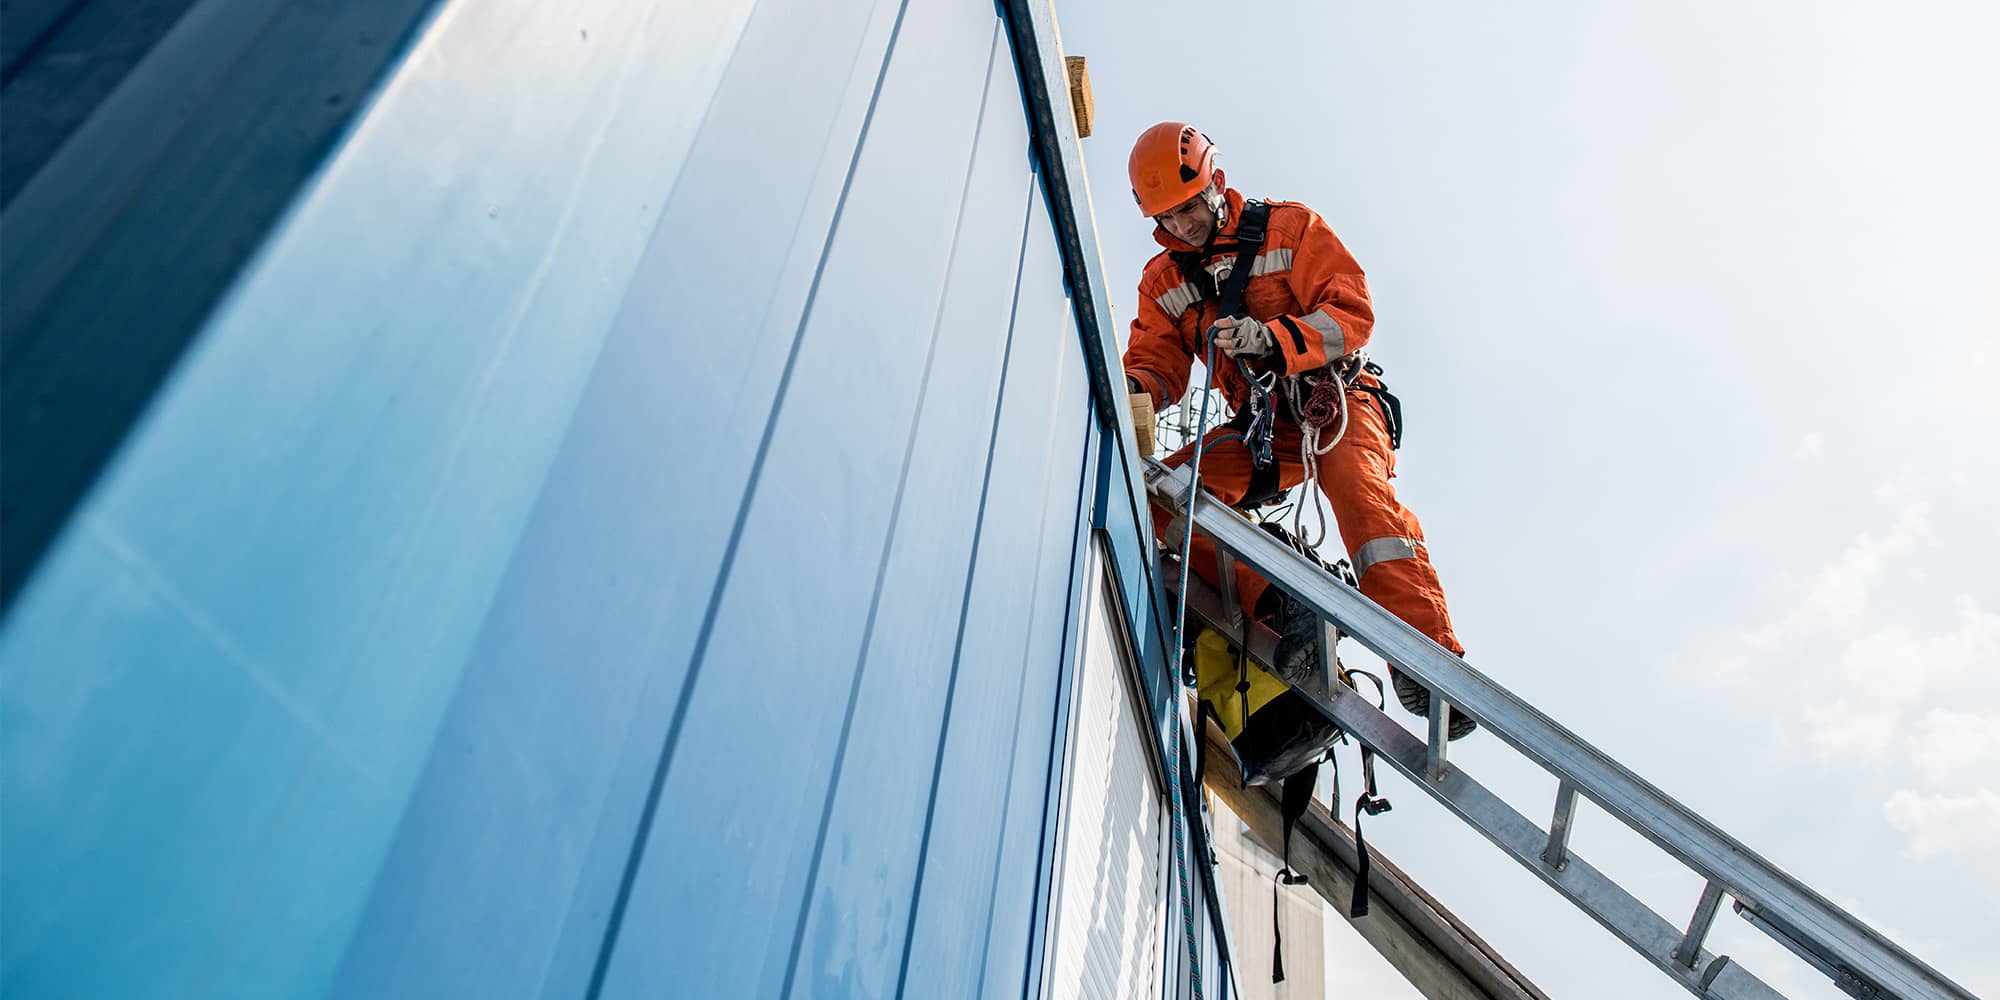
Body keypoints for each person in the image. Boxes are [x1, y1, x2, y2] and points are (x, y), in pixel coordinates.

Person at [1122, 121, 1474, 739]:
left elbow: (1351, 314)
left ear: (1216, 184)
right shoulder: (1164, 283)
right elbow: (1155, 364)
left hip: (1333, 401)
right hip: (1264, 430)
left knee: (1361, 503)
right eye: (1167, 218)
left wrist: (1275, 340)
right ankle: (1280, 603)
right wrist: (1132, 393)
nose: (1180, 226)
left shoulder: (1288, 230)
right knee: (1154, 497)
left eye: (1187, 209)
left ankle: (1428, 658)